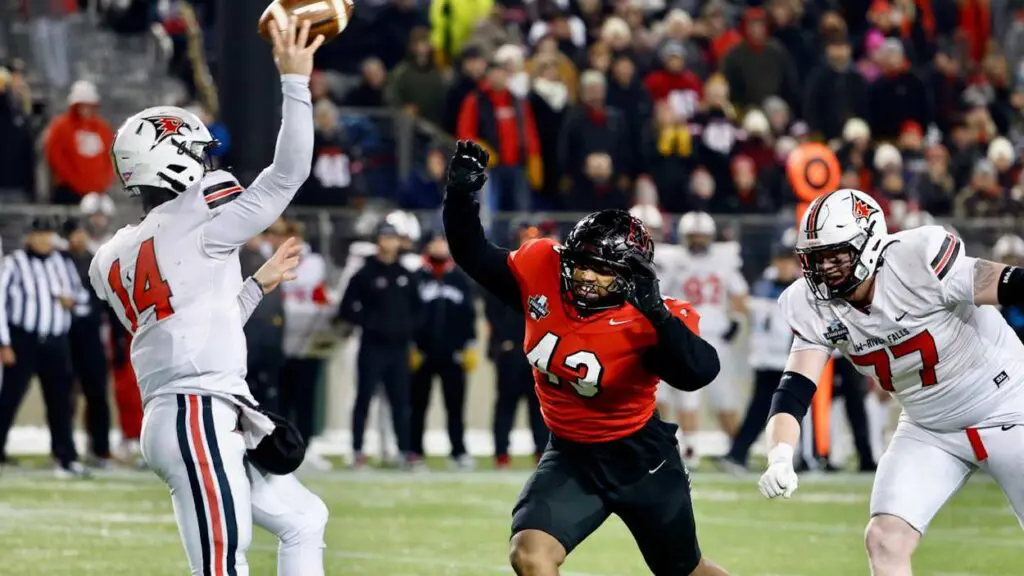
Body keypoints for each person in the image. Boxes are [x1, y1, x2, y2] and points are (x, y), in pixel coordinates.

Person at [88, 18, 329, 575]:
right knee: (221, 563)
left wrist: (254, 287)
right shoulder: (197, 212)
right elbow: (287, 175)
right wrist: (295, 82)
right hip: (195, 411)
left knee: (303, 518)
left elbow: (189, 327)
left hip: (189, 407)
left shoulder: (114, 256)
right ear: (173, 158)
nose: (207, 165)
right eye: (196, 153)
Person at [443, 140, 730, 576]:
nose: (587, 277)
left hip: (640, 458)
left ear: (631, 275)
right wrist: (460, 196)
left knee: (685, 572)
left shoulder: (651, 315)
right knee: (530, 555)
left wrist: (657, 315)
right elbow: (473, 254)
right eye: (582, 263)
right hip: (571, 455)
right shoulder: (542, 270)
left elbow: (699, 372)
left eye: (603, 269)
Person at [758, 188, 1024, 575]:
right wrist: (780, 455)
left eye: (836, 255)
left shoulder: (918, 259)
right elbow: (793, 391)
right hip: (928, 427)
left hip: (1009, 406)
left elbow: (1011, 284)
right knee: (885, 538)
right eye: (816, 258)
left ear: (869, 244)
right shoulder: (810, 304)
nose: (825, 268)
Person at [657, 211, 749, 466]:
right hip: (686, 335)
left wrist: (736, 320)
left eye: (701, 236)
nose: (697, 241)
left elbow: (740, 295)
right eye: (693, 236)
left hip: (717, 337)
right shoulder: (672, 260)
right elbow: (660, 295)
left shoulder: (723, 259)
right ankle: (690, 450)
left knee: (724, 397)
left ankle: (737, 451)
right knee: (687, 395)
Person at [0, 216, 87, 478]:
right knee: (9, 399)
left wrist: (71, 301)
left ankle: (65, 457)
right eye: (39, 234)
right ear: (28, 236)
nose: (43, 239)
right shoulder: (14, 263)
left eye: (47, 233)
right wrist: (3, 342)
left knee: (61, 402)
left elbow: (82, 296)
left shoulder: (62, 262)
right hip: (24, 340)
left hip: (56, 342)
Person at [339, 221, 422, 469]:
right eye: (385, 238)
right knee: (364, 398)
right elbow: (346, 307)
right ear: (378, 241)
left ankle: (404, 450)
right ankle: (357, 450)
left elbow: (418, 309)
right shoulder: (365, 273)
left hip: (399, 348)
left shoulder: (404, 274)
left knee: (401, 401)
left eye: (393, 238)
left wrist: (408, 329)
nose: (389, 242)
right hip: (372, 346)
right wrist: (369, 322)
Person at [717, 229, 800, 473]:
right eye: (782, 260)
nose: (785, 266)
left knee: (780, 410)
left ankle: (743, 453)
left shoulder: (797, 288)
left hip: (790, 360)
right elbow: (748, 307)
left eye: (789, 261)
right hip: (768, 361)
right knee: (764, 409)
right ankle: (739, 453)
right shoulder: (765, 287)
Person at [409, 231, 477, 469]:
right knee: (417, 406)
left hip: (453, 354)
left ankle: (458, 451)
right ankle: (414, 451)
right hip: (422, 353)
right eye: (435, 242)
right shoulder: (416, 277)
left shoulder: (459, 278)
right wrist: (411, 344)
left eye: (443, 242)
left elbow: (469, 314)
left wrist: (470, 344)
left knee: (455, 407)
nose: (439, 246)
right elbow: (409, 313)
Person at [62, 217, 113, 466]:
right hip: (65, 335)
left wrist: (117, 338)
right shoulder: (58, 261)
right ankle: (64, 449)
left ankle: (100, 449)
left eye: (81, 232)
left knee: (97, 394)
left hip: (92, 336)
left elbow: (109, 301)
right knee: (64, 395)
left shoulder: (97, 261)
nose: (79, 237)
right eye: (74, 232)